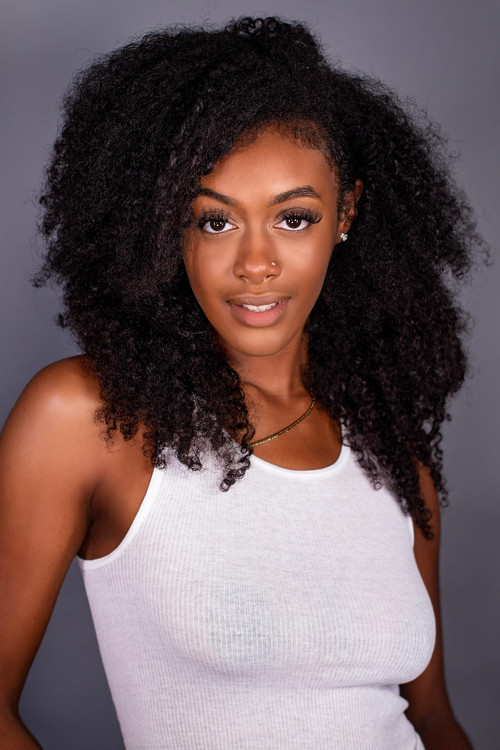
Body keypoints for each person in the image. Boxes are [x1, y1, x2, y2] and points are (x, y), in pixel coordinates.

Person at [0, 15, 481, 749]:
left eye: (294, 218)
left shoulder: (391, 455)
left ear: (346, 214)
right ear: (169, 226)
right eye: (215, 222)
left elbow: (433, 719)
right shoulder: (92, 418)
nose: (256, 263)